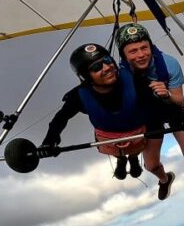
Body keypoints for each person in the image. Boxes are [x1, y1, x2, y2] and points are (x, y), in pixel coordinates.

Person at [116, 23, 184, 203]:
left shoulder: (169, 63)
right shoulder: (122, 75)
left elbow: (179, 100)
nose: (141, 54)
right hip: (149, 115)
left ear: (150, 46)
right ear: (124, 55)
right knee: (151, 165)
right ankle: (165, 179)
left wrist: (167, 94)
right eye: (133, 51)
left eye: (144, 48)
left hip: (173, 109)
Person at [40, 43, 146, 180]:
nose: (107, 67)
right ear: (85, 76)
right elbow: (60, 119)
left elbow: (155, 102)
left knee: (135, 148)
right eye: (96, 67)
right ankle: (121, 160)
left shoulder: (132, 79)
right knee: (117, 151)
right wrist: (49, 141)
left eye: (108, 60)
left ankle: (133, 159)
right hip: (109, 137)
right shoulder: (79, 96)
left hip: (136, 132)